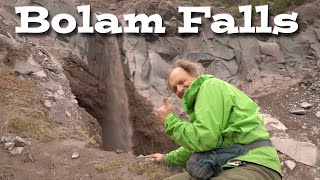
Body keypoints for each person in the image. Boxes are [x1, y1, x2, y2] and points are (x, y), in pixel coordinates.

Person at [145, 60, 282, 180]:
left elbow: (205, 139)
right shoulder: (200, 104)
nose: (180, 89)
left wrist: (169, 121)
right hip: (226, 164)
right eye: (174, 89)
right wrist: (167, 158)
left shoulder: (209, 86)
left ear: (195, 75)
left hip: (254, 164)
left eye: (182, 82)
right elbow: (197, 146)